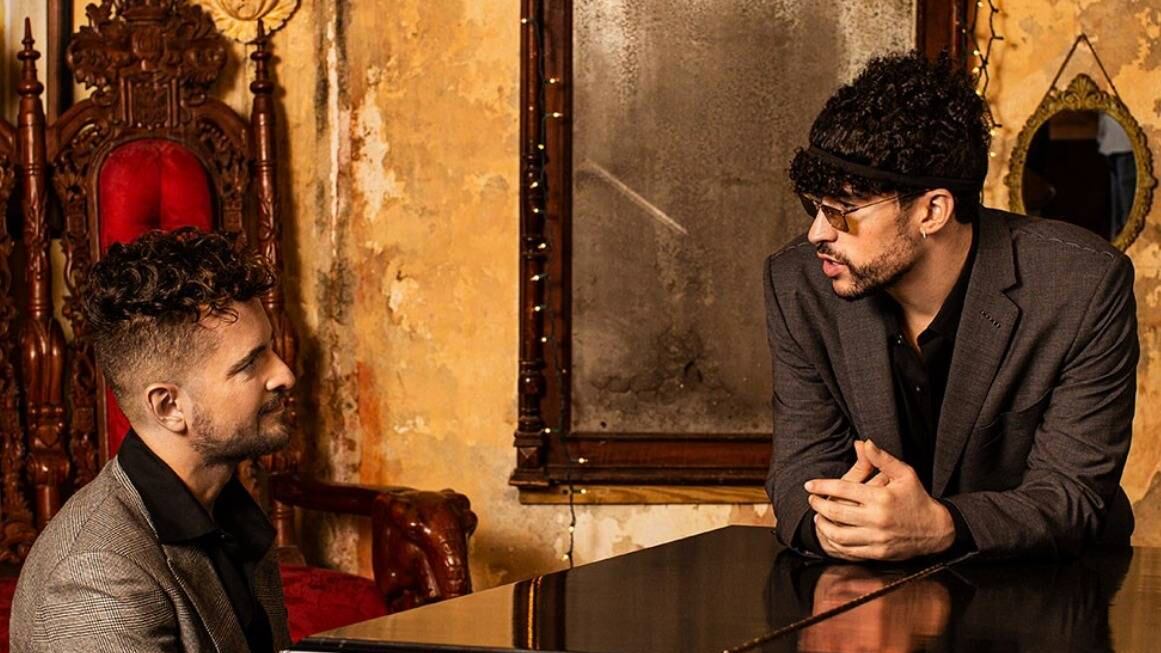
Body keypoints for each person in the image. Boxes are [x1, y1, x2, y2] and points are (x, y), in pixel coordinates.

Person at [764, 51, 1137, 561]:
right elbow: (799, 467)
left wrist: (942, 525)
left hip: (1049, 583)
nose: (816, 234)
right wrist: (828, 529)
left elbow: (1073, 494)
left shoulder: (1082, 286)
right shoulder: (798, 284)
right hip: (869, 579)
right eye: (814, 206)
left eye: (842, 211)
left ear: (933, 210)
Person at [11, 228, 295, 652]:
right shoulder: (95, 575)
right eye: (250, 364)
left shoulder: (225, 506)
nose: (284, 374)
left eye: (270, 349)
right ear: (168, 406)